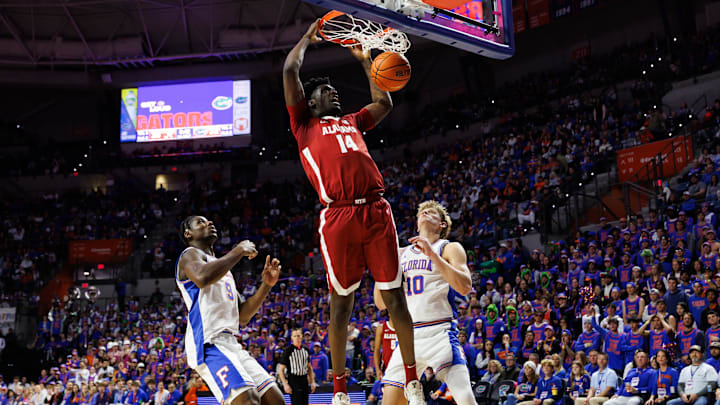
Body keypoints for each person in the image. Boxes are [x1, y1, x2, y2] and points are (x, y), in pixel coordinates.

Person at [283, 20, 423, 405]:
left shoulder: (352, 121)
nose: (334, 94)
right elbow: (289, 70)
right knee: (340, 304)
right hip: (338, 216)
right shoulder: (304, 126)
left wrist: (365, 61)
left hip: (377, 211)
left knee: (395, 298)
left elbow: (384, 102)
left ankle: (412, 379)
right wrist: (308, 40)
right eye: (327, 92)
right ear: (311, 102)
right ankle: (341, 390)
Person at [175, 215, 285, 405]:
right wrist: (238, 250)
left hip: (231, 342)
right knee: (247, 400)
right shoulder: (190, 255)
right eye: (201, 222)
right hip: (208, 342)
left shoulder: (224, 269)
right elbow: (201, 277)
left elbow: (242, 316)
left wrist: (266, 285)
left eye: (209, 220)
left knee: (275, 400)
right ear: (188, 234)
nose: (209, 223)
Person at [376, 201, 474, 405]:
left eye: (432, 212)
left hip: (440, 332)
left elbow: (465, 286)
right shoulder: (401, 254)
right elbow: (380, 303)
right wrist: (382, 269)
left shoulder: (449, 247)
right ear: (417, 223)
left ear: (442, 225)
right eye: (422, 212)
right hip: (407, 338)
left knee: (466, 399)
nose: (425, 212)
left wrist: (432, 255)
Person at [277, 329, 316, 405]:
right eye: (295, 336)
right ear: (292, 337)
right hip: (293, 379)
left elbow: (309, 368)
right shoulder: (288, 351)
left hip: (304, 379)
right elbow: (281, 370)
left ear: (302, 337)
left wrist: (313, 382)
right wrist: (285, 384)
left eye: (298, 336)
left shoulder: (306, 349)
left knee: (305, 402)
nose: (297, 338)